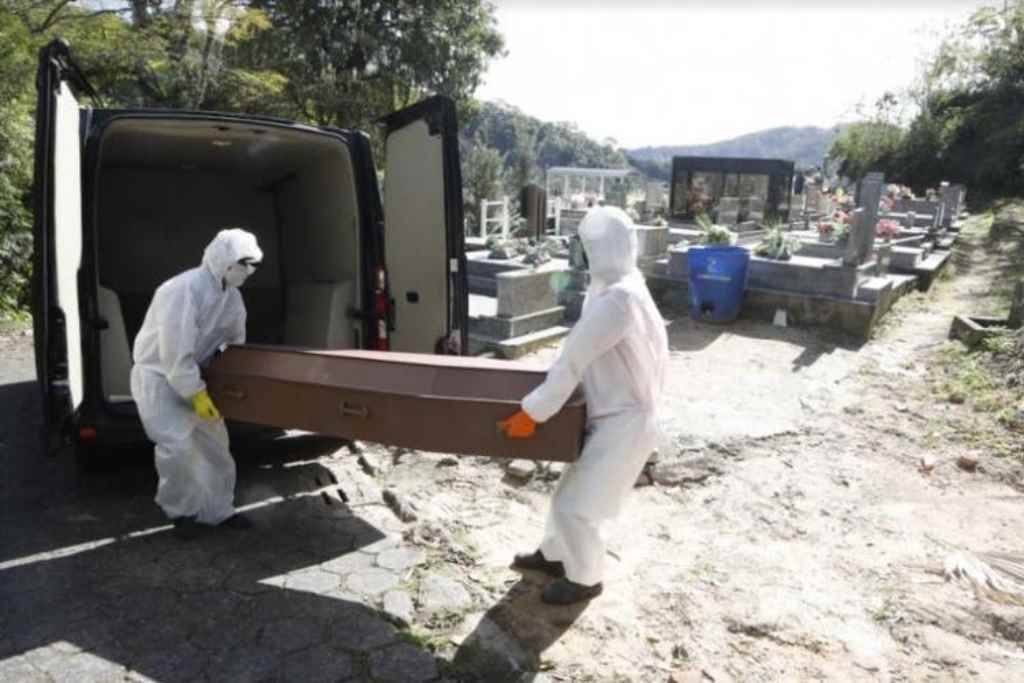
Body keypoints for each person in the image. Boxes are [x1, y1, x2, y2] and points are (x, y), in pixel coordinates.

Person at [498, 206, 669, 605]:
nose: (583, 254)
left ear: (599, 249)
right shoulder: (620, 286)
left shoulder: (619, 299)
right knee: (568, 492)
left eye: (587, 246)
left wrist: (531, 413)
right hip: (613, 413)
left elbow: (572, 361)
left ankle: (585, 579)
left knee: (580, 506)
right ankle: (555, 555)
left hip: (625, 420)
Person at [130, 228, 263, 539]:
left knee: (215, 445)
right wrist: (196, 394)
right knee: (177, 447)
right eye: (245, 264)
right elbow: (175, 355)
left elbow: (235, 344)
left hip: (198, 379)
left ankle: (219, 511)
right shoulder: (181, 290)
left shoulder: (231, 296)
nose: (249, 271)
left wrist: (231, 380)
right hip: (160, 379)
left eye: (253, 265)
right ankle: (182, 514)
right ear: (225, 262)